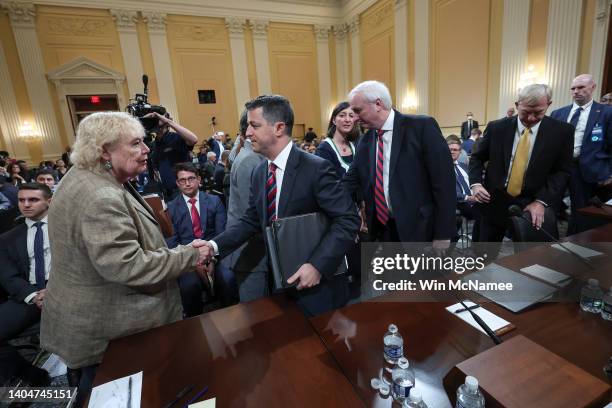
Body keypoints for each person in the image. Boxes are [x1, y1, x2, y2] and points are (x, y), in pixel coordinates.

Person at [39, 112, 211, 407]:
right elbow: (129, 266)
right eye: (136, 143)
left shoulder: (86, 176)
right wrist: (191, 254)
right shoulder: (100, 196)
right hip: (109, 330)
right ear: (104, 150)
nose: (146, 150)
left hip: (101, 319)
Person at [202, 95, 360, 317]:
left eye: (254, 125)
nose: (247, 133)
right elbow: (250, 221)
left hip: (319, 286)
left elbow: (348, 219)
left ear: (278, 128)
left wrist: (317, 265)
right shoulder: (260, 172)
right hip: (280, 282)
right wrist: (213, 246)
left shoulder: (316, 168)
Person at [343, 80, 456, 243]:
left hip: (423, 231)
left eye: (357, 110)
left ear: (378, 104)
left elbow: (444, 184)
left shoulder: (421, 127)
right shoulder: (365, 141)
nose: (354, 118)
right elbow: (349, 182)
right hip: (385, 232)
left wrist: (443, 233)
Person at [469, 84, 574, 241]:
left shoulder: (562, 132)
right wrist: (476, 184)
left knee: (531, 259)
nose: (531, 118)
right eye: (525, 112)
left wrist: (541, 201)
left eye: (538, 112)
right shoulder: (497, 128)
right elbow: (477, 157)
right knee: (484, 254)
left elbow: (562, 171)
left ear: (548, 105)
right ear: (517, 105)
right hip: (494, 200)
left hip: (532, 203)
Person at [0, 183, 53, 387]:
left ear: (49, 201)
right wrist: (33, 295)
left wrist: (56, 290)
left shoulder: (66, 227)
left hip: (66, 288)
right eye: (22, 200)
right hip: (28, 294)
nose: (26, 205)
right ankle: (29, 374)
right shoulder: (7, 238)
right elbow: (8, 276)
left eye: (33, 199)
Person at [166, 162, 237, 314]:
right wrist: (193, 262)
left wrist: (211, 259)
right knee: (189, 286)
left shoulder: (214, 201)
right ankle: (195, 326)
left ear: (199, 179)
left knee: (228, 279)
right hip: (187, 261)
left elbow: (221, 233)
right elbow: (172, 242)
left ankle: (231, 321)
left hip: (214, 256)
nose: (187, 183)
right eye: (182, 180)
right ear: (177, 183)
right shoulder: (170, 208)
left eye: (191, 178)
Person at [550, 74, 612, 234]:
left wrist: (610, 173)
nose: (576, 91)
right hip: (559, 168)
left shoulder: (606, 113)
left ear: (593, 87)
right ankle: (547, 243)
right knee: (550, 205)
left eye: (581, 87)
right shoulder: (558, 114)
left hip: (586, 169)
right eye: (573, 88)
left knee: (581, 211)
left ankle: (574, 245)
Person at [224, 110, 267, 302]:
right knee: (256, 316)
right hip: (251, 254)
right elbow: (250, 215)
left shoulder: (255, 157)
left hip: (257, 252)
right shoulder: (250, 161)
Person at [147, 112, 198, 199]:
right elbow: (155, 168)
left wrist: (167, 121)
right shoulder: (154, 145)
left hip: (183, 189)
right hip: (166, 192)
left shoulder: (176, 138)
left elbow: (194, 139)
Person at [315, 101, 358, 179]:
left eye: (351, 116)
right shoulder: (324, 149)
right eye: (342, 115)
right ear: (334, 120)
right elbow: (326, 182)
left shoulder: (356, 145)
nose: (347, 120)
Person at [448, 140, 479, 240]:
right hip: (459, 202)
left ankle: (480, 244)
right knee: (484, 214)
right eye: (450, 150)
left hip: (474, 199)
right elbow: (448, 192)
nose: (452, 152)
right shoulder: (442, 168)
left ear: (460, 152)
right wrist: (467, 197)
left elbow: (473, 183)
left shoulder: (463, 166)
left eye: (455, 150)